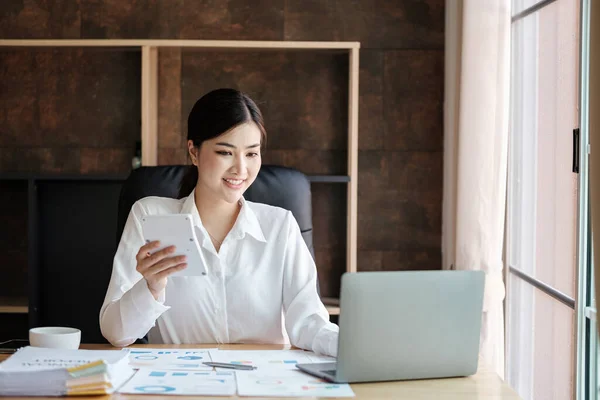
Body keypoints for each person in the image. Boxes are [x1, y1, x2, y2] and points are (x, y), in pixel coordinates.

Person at [99, 88, 339, 357]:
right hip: (181, 382)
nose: (241, 169)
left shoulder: (279, 226)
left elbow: (309, 322)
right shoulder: (151, 216)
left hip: (261, 383)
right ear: (194, 151)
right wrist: (151, 288)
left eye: (251, 154)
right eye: (226, 152)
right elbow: (116, 334)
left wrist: (354, 346)